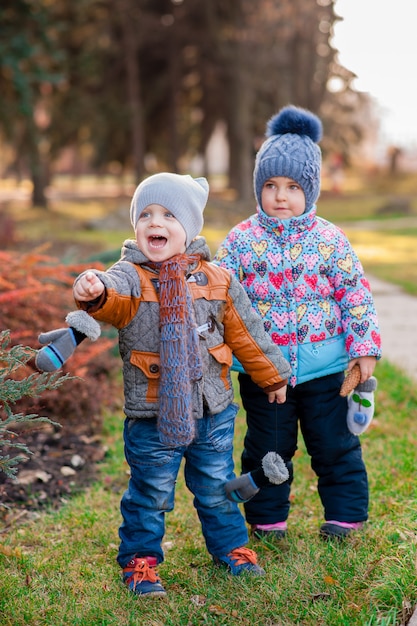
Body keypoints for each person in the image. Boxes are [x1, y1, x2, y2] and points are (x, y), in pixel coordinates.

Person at [38, 172, 291, 598]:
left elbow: (247, 332)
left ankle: (232, 548)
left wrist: (273, 374)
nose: (156, 222)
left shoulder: (218, 279)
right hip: (152, 413)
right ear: (136, 226)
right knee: (151, 493)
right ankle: (140, 560)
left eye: (169, 214)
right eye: (147, 214)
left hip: (212, 410)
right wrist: (93, 288)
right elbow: (111, 295)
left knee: (216, 487)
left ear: (190, 227)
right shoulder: (130, 276)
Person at [213, 105, 382, 541]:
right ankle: (268, 519)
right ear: (258, 188)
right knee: (268, 447)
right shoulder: (241, 240)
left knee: (333, 444)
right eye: (270, 185)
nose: (281, 196)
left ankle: (344, 516)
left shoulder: (328, 239)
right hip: (266, 372)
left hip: (325, 370)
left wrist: (363, 347)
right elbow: (219, 295)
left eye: (292, 186)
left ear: (310, 188)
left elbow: (354, 291)